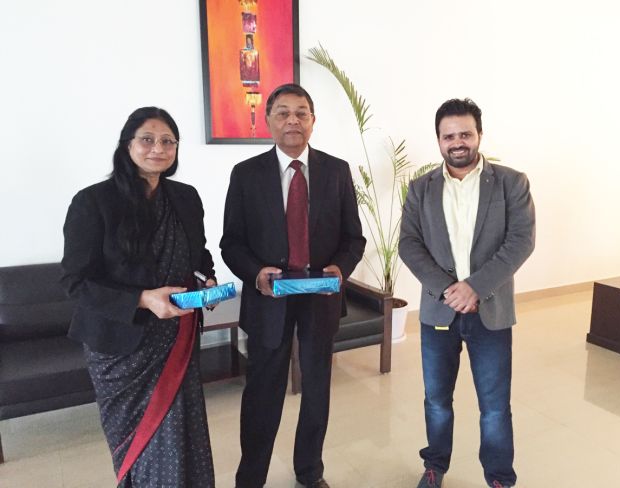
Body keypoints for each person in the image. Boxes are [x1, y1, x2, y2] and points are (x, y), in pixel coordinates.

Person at [61, 107, 216, 487]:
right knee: (139, 444)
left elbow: (198, 254)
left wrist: (207, 279)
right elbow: (75, 282)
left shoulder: (185, 197)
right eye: (147, 139)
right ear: (127, 145)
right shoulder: (93, 201)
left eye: (168, 141)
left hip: (176, 336)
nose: (158, 149)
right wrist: (143, 299)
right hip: (120, 347)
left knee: (182, 431)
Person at [220, 83, 365, 488]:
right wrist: (256, 274)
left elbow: (353, 238)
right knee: (262, 393)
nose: (292, 120)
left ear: (313, 121)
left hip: (320, 297)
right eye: (283, 112)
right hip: (269, 300)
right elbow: (231, 243)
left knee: (317, 392)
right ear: (268, 120)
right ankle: (251, 479)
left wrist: (340, 268)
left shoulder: (337, 171)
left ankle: (310, 472)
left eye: (301, 113)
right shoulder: (246, 174)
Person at [399, 98, 535, 488]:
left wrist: (475, 287)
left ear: (479, 135)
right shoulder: (421, 188)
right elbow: (409, 244)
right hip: (438, 312)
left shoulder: (512, 183)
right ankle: (434, 466)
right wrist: (448, 289)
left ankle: (499, 478)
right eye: (449, 136)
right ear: (438, 140)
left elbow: (520, 241)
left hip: (490, 312)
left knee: (494, 407)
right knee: (437, 401)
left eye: (465, 134)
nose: (457, 142)